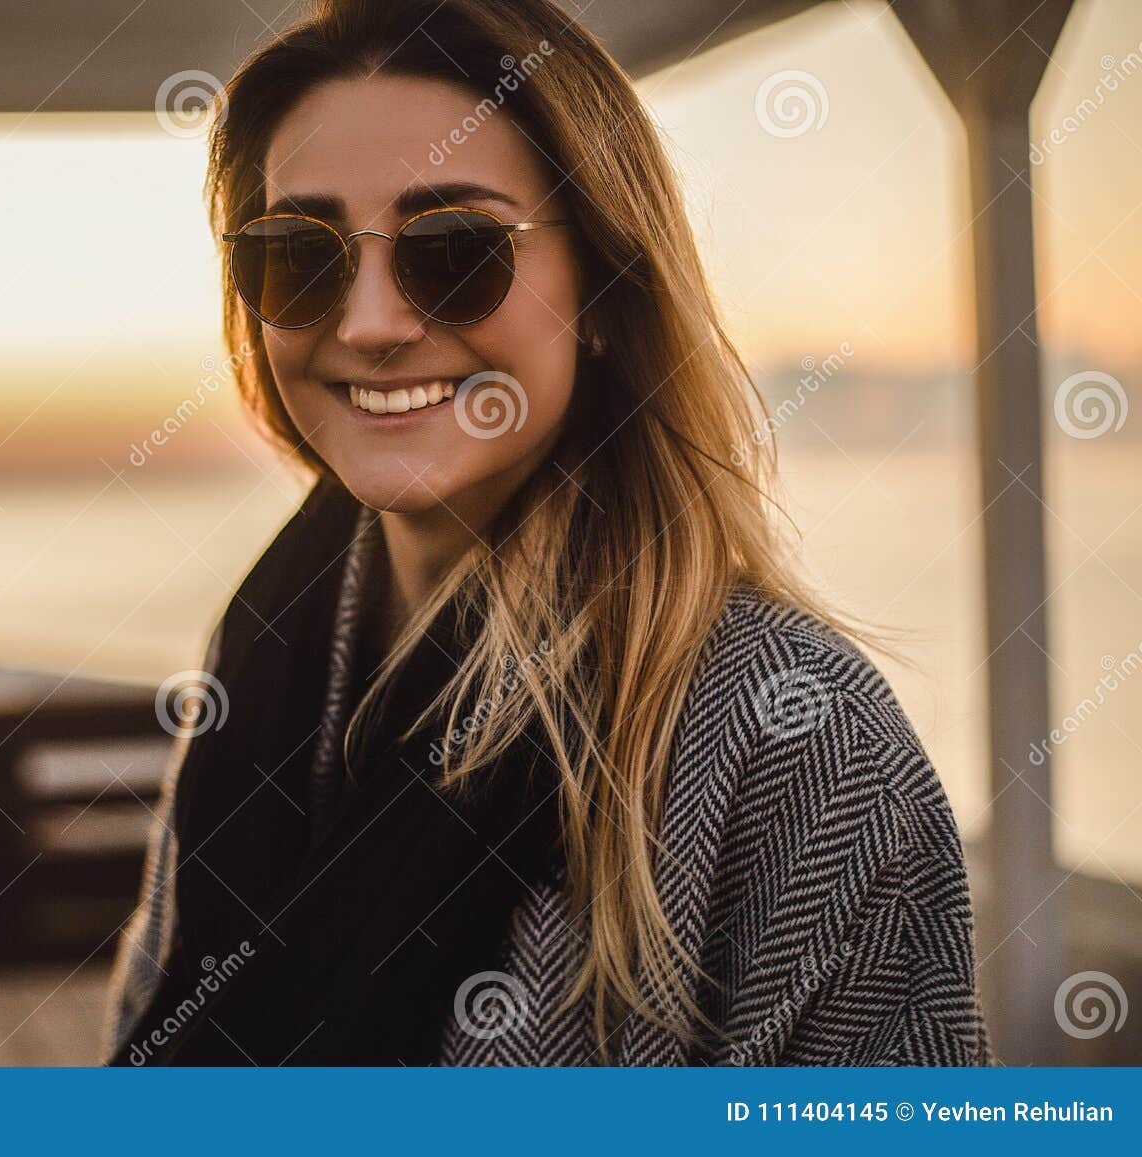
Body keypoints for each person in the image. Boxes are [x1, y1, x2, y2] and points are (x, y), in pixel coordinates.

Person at [102, 0, 995, 1066]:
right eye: (297, 255)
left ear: (608, 285)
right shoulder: (270, 637)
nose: (370, 323)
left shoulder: (797, 744)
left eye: (453, 248)